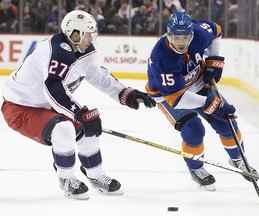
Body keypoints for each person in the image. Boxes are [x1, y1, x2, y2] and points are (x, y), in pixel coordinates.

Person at [1, 10, 156, 200]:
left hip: (47, 104)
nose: (91, 38)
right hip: (19, 107)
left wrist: (126, 93)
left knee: (88, 124)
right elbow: (53, 88)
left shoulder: (84, 49)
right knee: (64, 129)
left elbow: (99, 76)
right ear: (74, 33)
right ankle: (66, 178)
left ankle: (96, 174)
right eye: (87, 34)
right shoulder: (55, 51)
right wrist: (78, 113)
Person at [145, 11, 257, 191]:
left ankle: (238, 159)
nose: (180, 43)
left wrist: (214, 61)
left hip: (197, 82)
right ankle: (196, 169)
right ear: (168, 34)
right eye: (176, 38)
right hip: (169, 96)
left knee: (227, 123)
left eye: (185, 38)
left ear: (192, 34)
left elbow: (217, 31)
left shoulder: (200, 33)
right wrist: (212, 105)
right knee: (194, 130)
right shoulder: (162, 58)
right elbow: (178, 99)